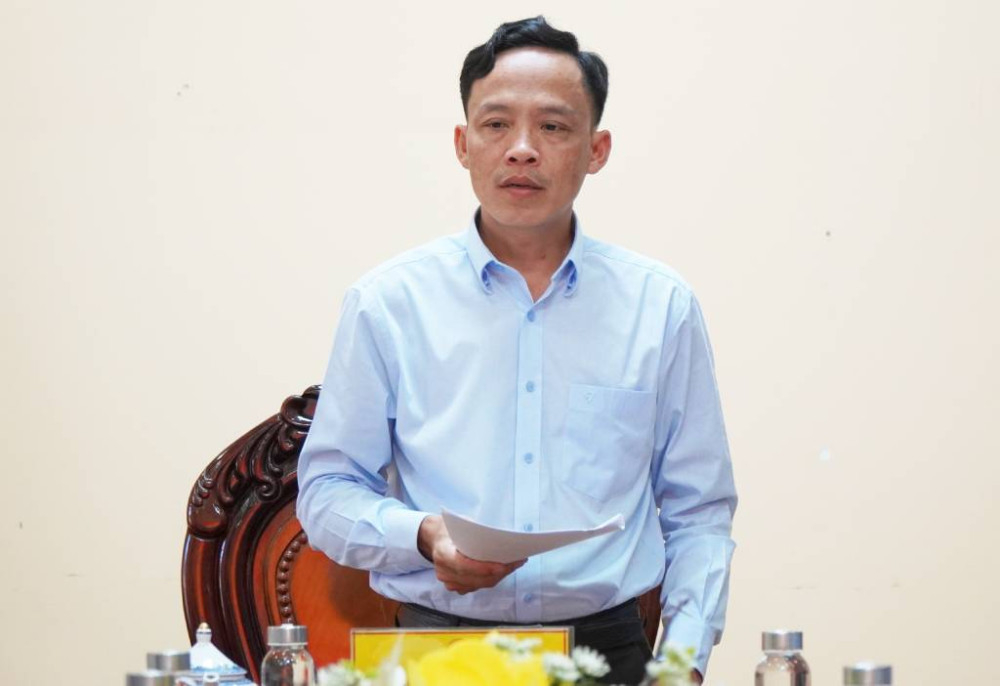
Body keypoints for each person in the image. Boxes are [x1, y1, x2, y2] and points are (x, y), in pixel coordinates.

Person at [297, 16, 737, 685]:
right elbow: (328, 492)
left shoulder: (659, 306)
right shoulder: (388, 303)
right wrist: (423, 535)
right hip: (438, 656)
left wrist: (682, 666)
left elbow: (699, 509)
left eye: (553, 127)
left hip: (606, 656)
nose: (522, 150)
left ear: (596, 149)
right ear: (463, 143)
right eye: (496, 124)